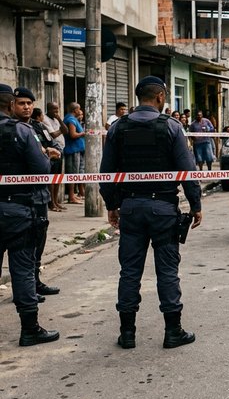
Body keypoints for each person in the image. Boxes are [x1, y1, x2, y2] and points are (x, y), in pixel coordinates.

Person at [99, 76, 202, 350]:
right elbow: (187, 170)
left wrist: (111, 205)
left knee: (129, 272)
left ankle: (128, 333)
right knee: (167, 270)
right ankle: (173, 331)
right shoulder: (171, 127)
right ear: (160, 97)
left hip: (131, 208)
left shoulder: (117, 128)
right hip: (163, 209)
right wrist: (195, 203)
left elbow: (106, 173)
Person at [0, 83, 60, 346]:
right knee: (22, 268)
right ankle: (29, 329)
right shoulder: (23, 131)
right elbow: (41, 170)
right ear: (11, 105)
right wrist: (47, 156)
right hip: (17, 209)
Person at [12, 87, 62, 298]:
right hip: (18, 196)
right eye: (21, 103)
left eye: (29, 103)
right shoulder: (11, 129)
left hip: (39, 194)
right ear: (11, 105)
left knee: (38, 239)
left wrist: (48, 153)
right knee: (20, 247)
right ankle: (24, 290)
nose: (26, 107)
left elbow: (54, 149)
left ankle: (34, 281)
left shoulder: (37, 127)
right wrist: (43, 155)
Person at [42, 102, 68, 212]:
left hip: (60, 150)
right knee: (52, 178)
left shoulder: (56, 119)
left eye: (57, 109)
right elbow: (53, 134)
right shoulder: (45, 119)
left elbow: (65, 130)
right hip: (52, 151)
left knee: (58, 178)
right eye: (54, 109)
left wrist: (60, 119)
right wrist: (61, 130)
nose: (56, 111)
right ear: (49, 109)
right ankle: (51, 203)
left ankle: (56, 201)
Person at [63, 102, 85, 204]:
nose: (80, 111)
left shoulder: (73, 119)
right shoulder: (70, 119)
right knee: (72, 174)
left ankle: (74, 195)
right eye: (79, 109)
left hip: (76, 150)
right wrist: (84, 133)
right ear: (75, 110)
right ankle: (71, 196)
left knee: (76, 173)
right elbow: (72, 134)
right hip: (72, 150)